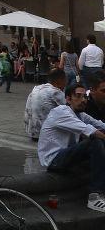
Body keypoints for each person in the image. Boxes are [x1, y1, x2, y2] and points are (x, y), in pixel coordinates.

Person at [38, 82, 105, 214]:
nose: (83, 100)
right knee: (95, 142)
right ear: (68, 99)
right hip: (54, 160)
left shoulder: (81, 115)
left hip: (68, 157)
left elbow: (100, 125)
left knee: (99, 147)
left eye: (84, 97)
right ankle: (94, 197)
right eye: (78, 96)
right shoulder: (61, 112)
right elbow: (91, 131)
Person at [24, 68, 67, 140]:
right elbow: (69, 109)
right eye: (65, 80)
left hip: (33, 132)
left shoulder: (36, 88)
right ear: (59, 80)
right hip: (46, 135)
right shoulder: (55, 92)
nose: (66, 83)